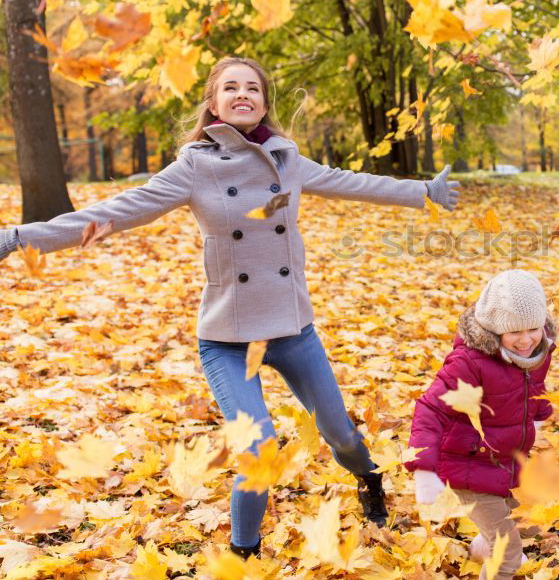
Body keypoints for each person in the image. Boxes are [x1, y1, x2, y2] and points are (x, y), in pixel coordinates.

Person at [0, 56, 460, 559]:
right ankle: (244, 558)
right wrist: (22, 237)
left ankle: (367, 477)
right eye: (231, 88)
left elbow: (353, 181)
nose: (243, 95)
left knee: (340, 433)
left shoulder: (286, 158)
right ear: (213, 102)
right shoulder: (194, 167)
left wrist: (425, 193)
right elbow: (115, 211)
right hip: (227, 339)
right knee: (259, 448)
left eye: (253, 89)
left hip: (292, 329)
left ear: (264, 102)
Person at [404, 269, 557, 580]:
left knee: (525, 520)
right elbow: (430, 410)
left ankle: (481, 547)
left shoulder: (536, 352)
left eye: (533, 328)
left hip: (503, 462)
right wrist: (424, 469)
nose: (525, 339)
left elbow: (531, 388)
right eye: (514, 332)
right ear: (494, 329)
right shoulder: (470, 364)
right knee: (508, 554)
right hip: (466, 466)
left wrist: (539, 414)